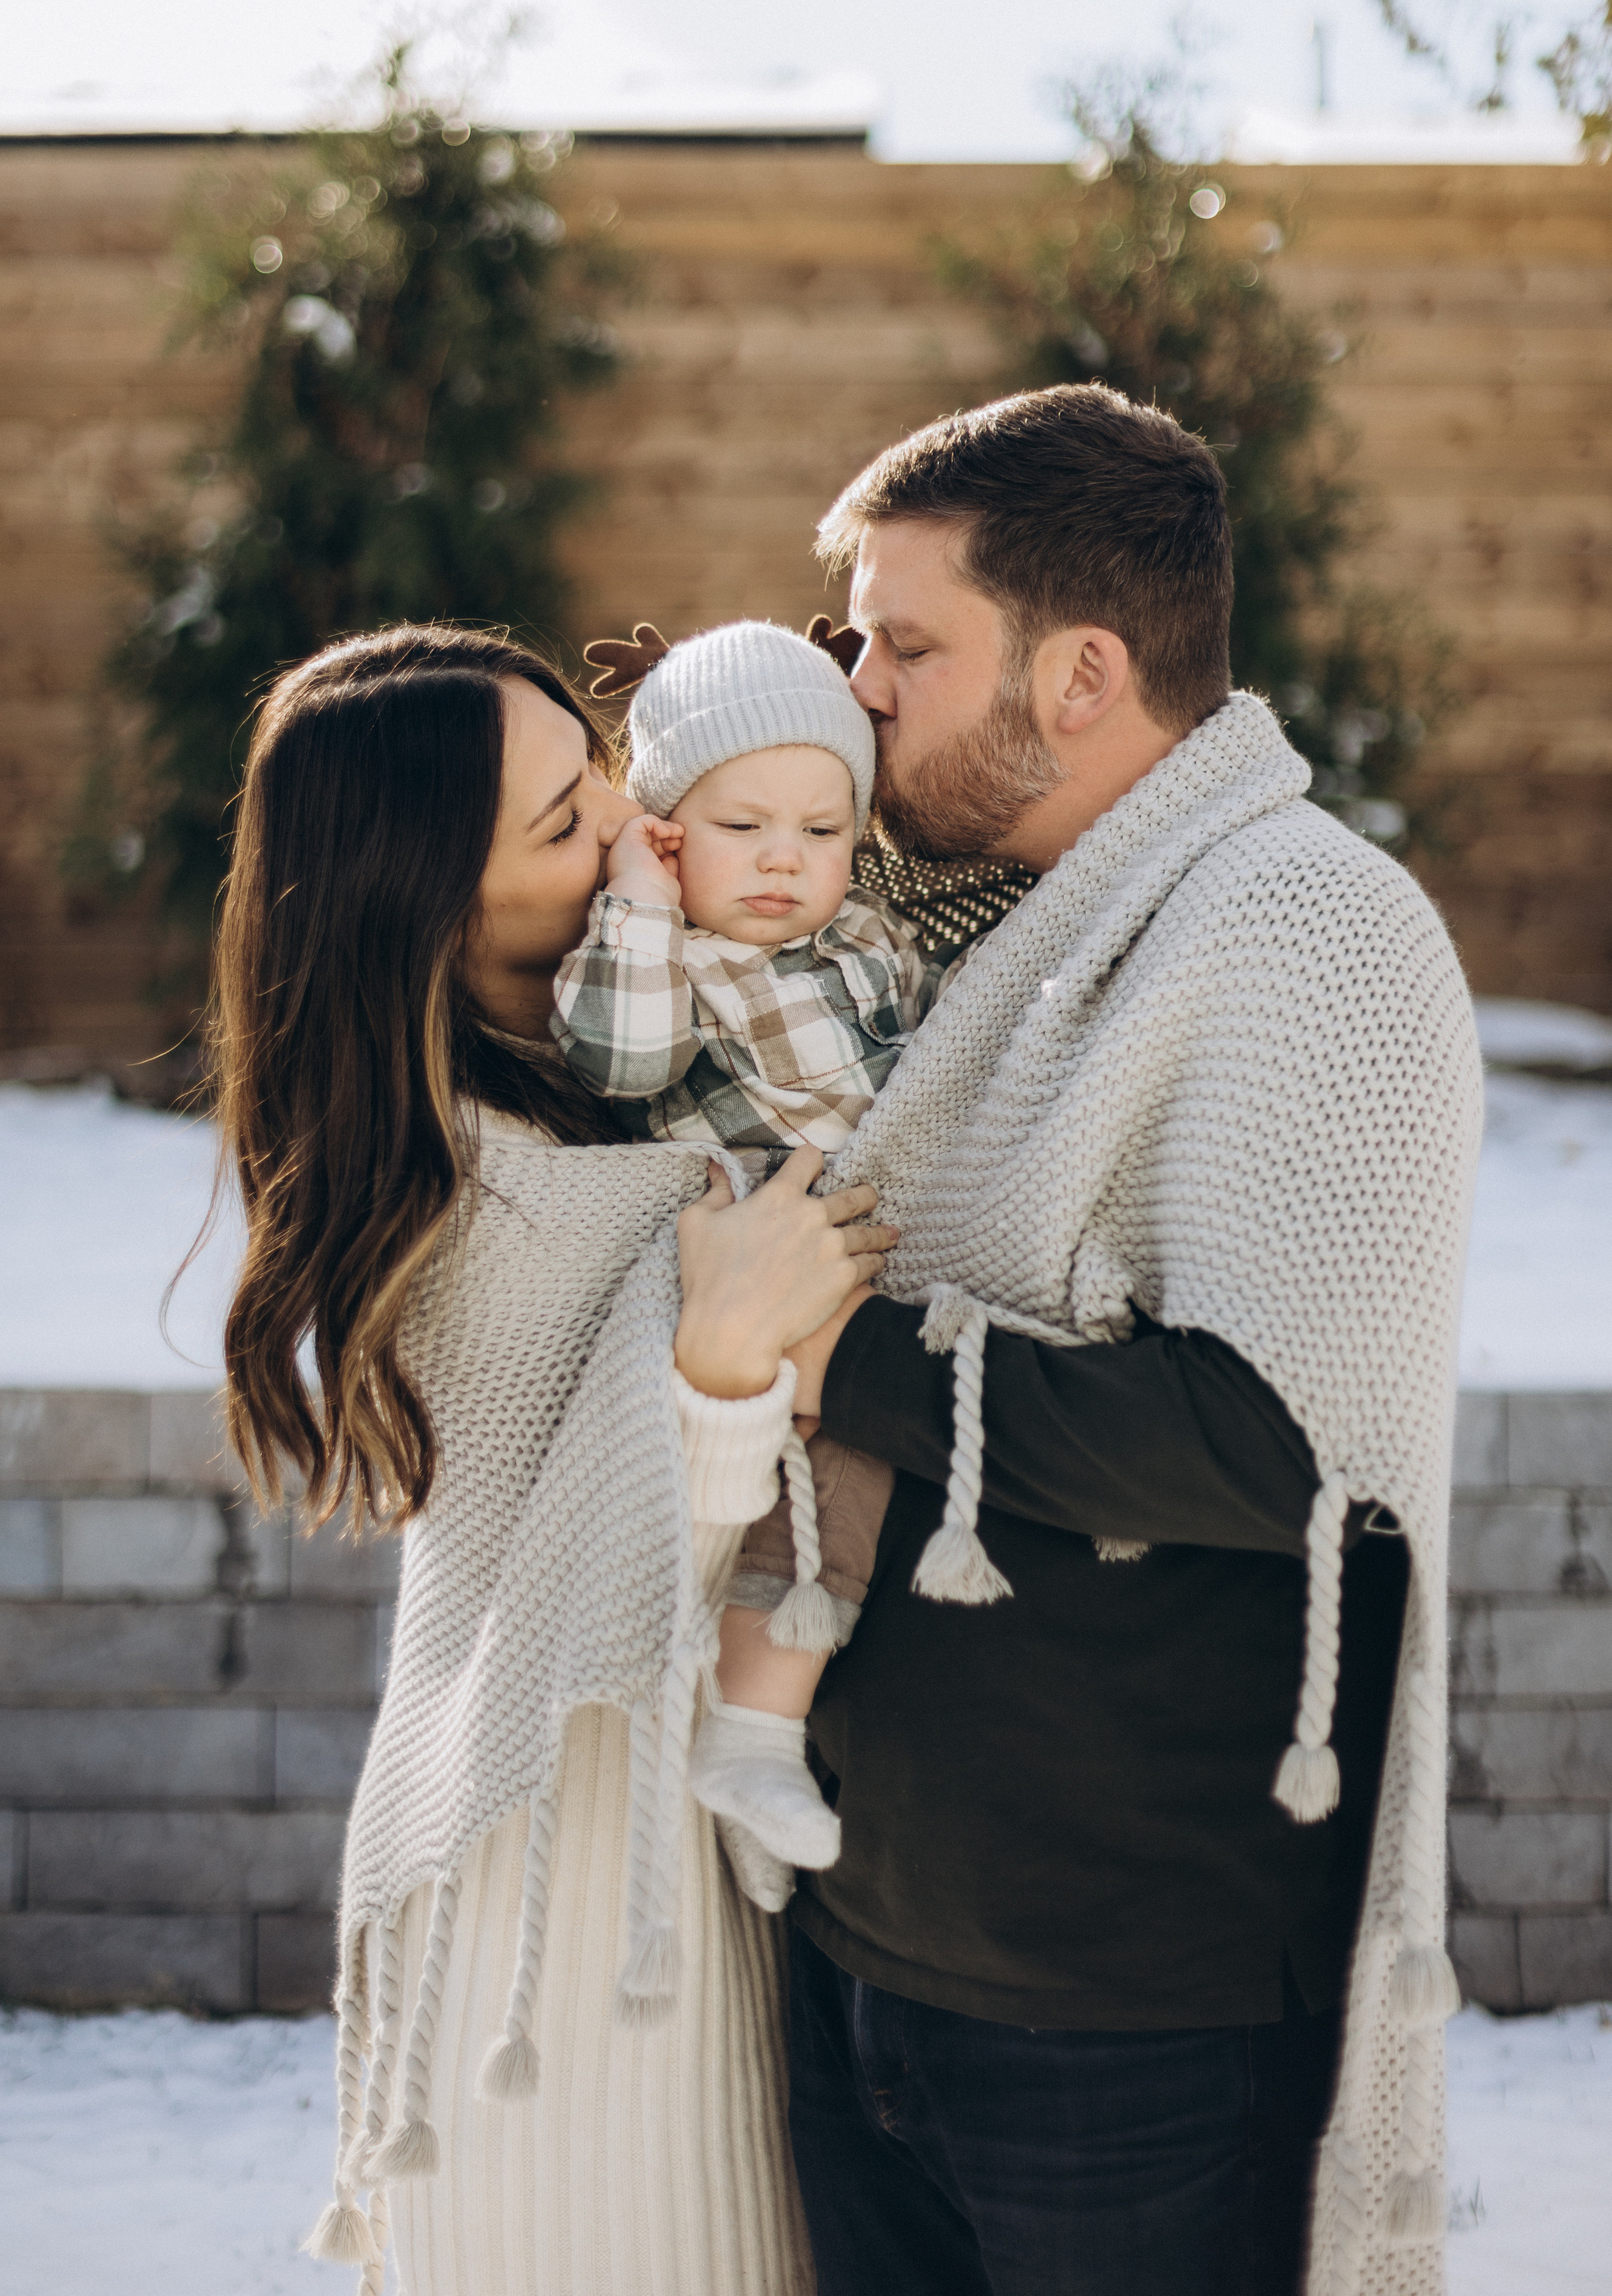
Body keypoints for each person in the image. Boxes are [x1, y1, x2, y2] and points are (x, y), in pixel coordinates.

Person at [772, 384, 1482, 2296]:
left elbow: (1285, 1449)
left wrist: (825, 1345)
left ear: (1083, 673)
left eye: (908, 646)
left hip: (1126, 2016)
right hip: (860, 1933)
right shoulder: (961, 927)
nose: (862, 692)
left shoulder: (1310, 929)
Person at [214, 623, 896, 2296]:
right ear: (438, 913)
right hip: (563, 1901)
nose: (639, 825)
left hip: (705, 1859)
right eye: (565, 827)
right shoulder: (469, 1196)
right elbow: (582, 1565)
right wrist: (720, 1367)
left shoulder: (648, 1063)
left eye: (601, 771)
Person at [548, 617, 931, 1877]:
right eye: (739, 829)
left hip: (867, 1265)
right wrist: (644, 908)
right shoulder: (661, 960)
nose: (783, 861)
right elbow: (622, 1062)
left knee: (855, 1516)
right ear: (664, 828)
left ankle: (763, 1769)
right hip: (753, 1284)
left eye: (822, 834)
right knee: (820, 1504)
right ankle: (757, 1740)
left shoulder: (865, 940)